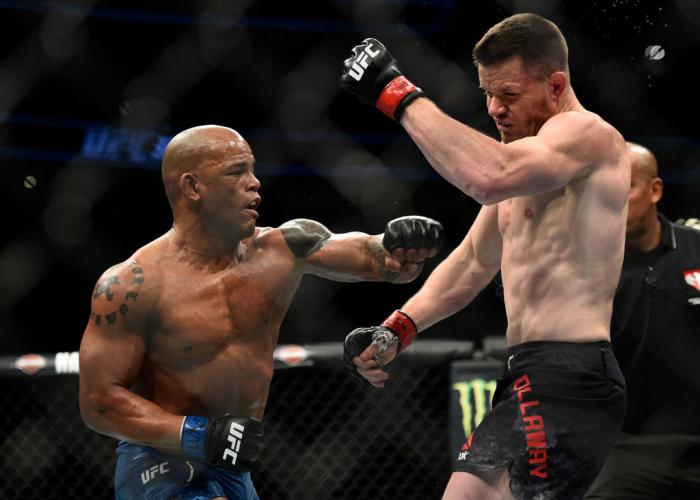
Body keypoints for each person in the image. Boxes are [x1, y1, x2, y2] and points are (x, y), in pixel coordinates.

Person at [339, 13, 630, 500]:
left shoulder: (587, 136)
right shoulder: (524, 162)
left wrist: (395, 93)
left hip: (568, 373)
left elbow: (486, 175)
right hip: (533, 373)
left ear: (556, 85)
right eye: (487, 94)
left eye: (509, 96)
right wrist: (397, 329)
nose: (495, 109)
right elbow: (473, 260)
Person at [78, 124, 444, 500]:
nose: (254, 183)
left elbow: (374, 257)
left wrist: (399, 245)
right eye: (236, 172)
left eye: (253, 170)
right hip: (159, 460)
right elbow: (98, 402)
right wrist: (197, 435)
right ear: (192, 187)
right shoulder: (132, 284)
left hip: (234, 464)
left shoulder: (281, 249)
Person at [585, 143, 700, 498]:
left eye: (626, 186)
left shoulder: (695, 246)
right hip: (628, 443)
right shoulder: (586, 262)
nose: (614, 198)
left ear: (655, 190)